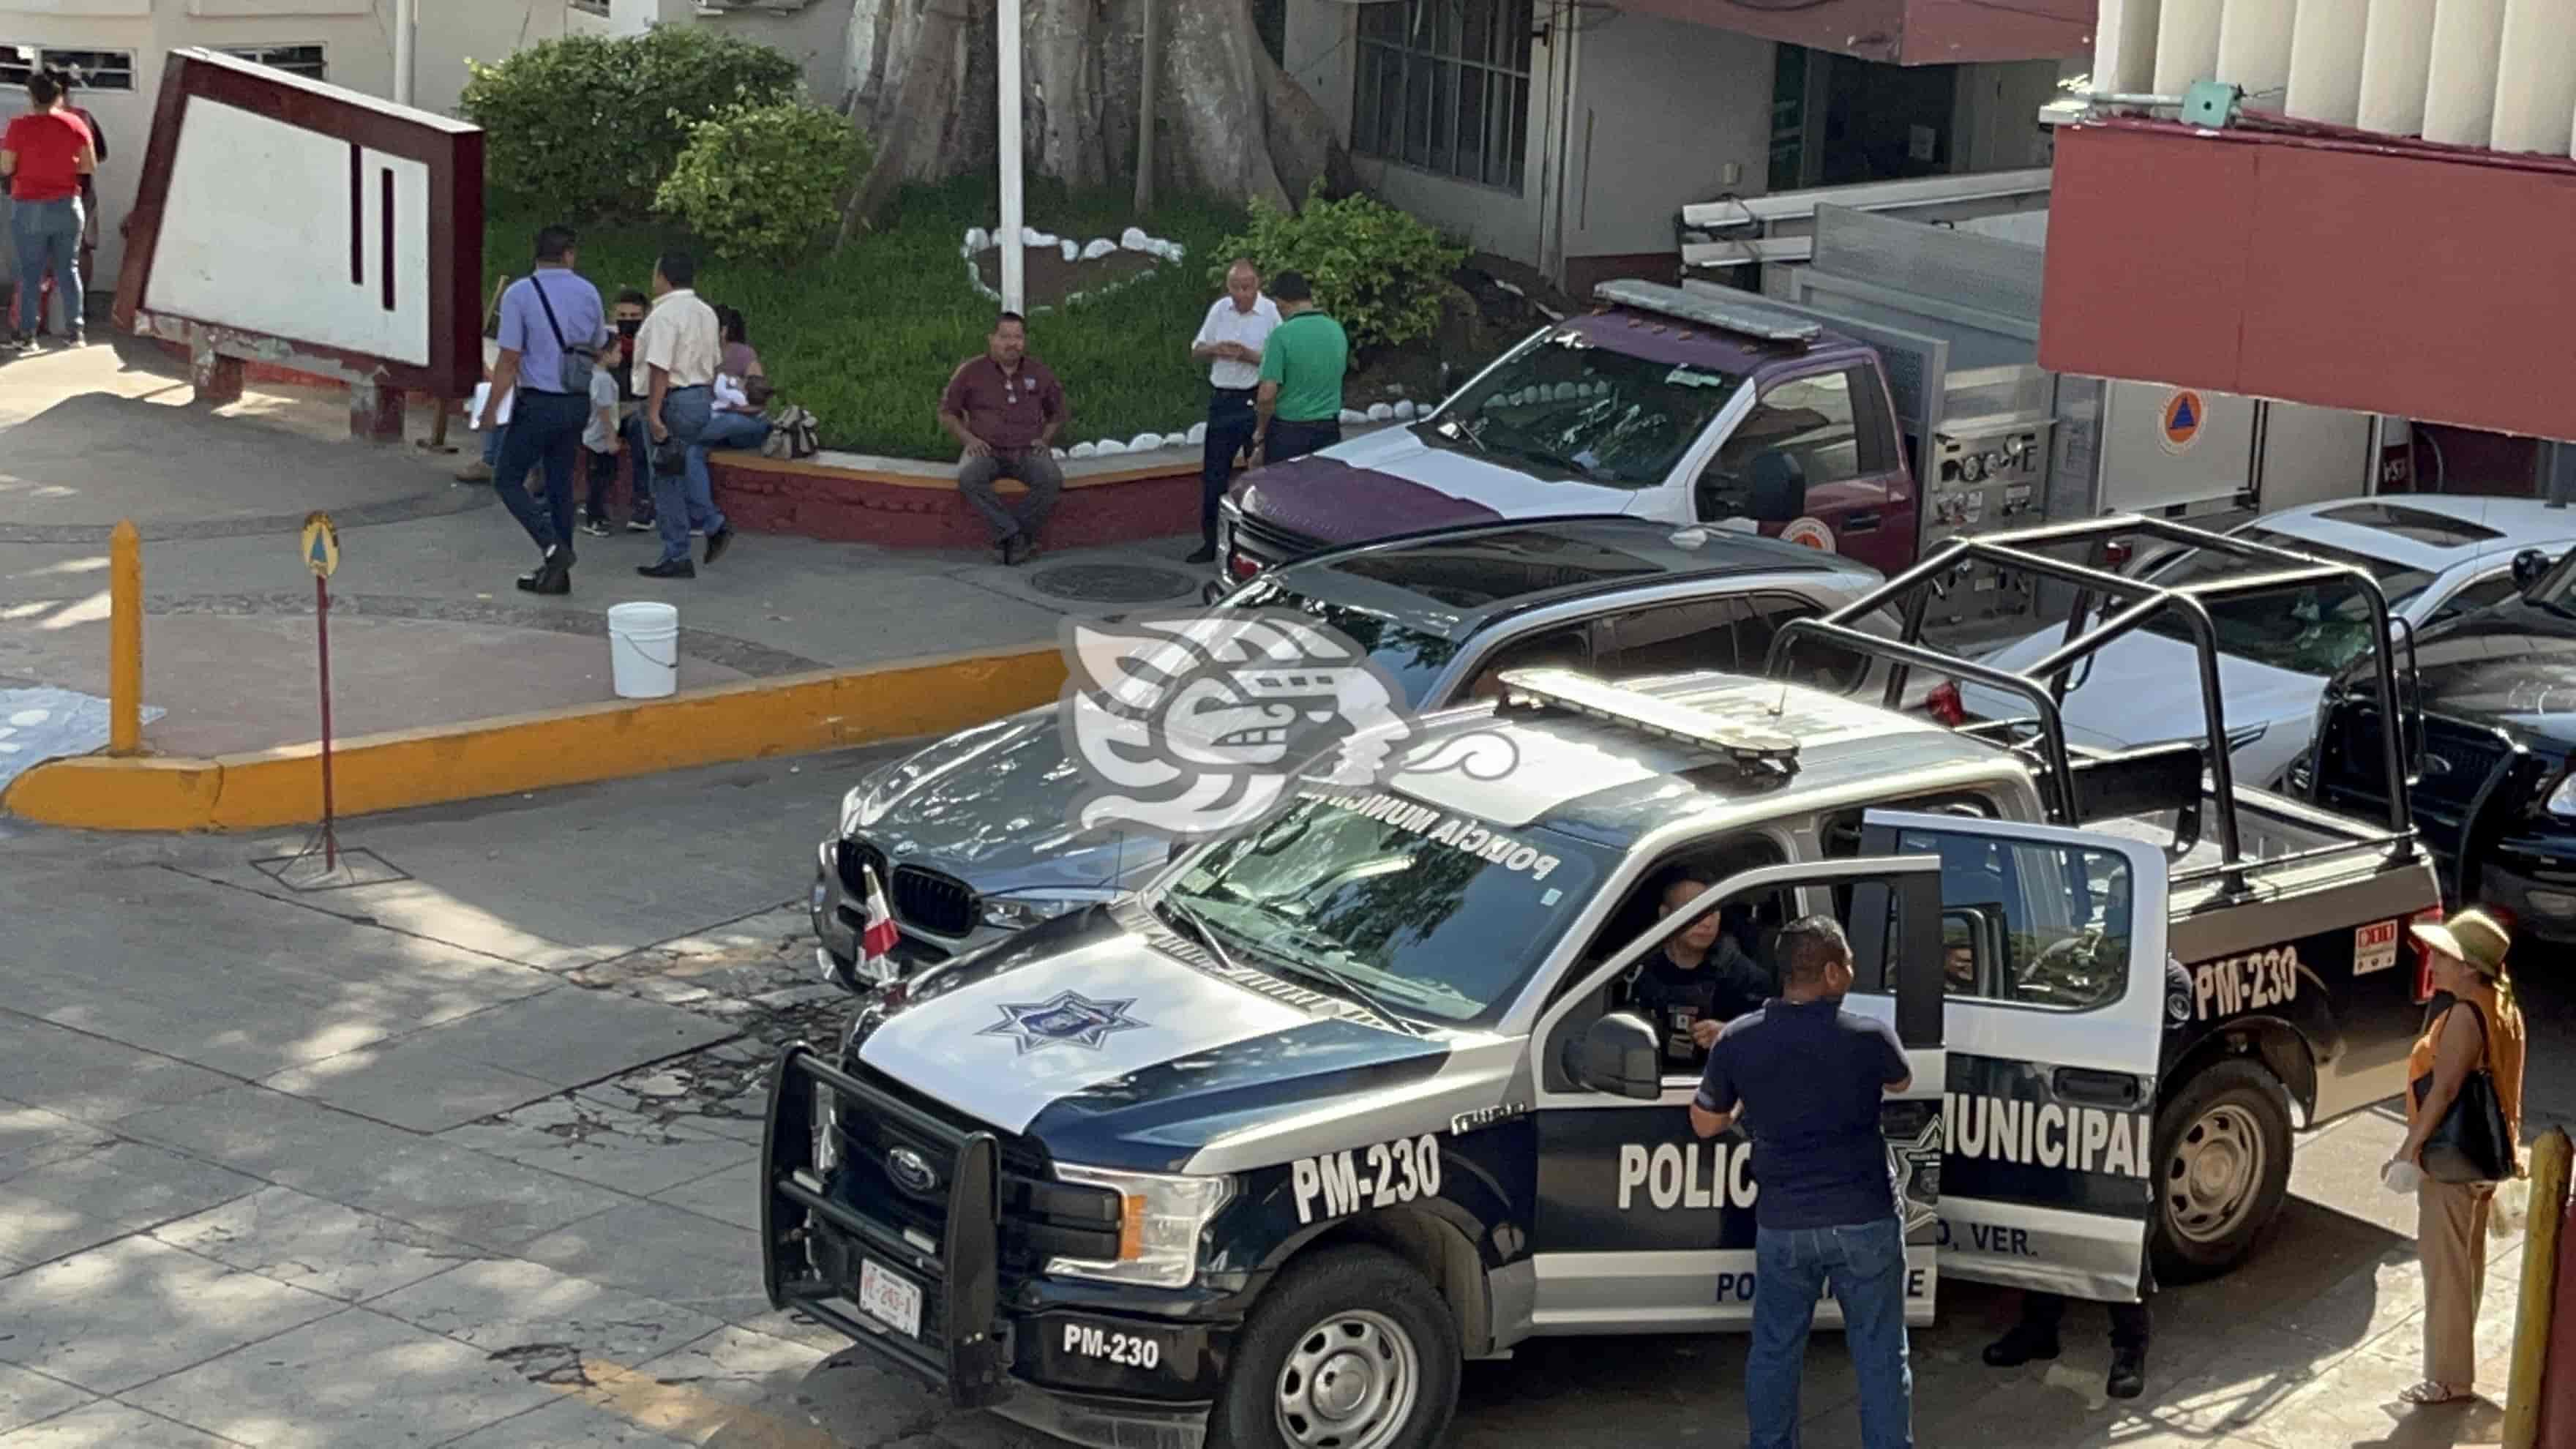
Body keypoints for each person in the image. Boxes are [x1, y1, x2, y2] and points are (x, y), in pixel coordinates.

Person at [1692, 915, 1914, 1449]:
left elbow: (1704, 1123)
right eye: (1852, 964)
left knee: (1774, 1352)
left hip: (1784, 1225)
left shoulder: (1739, 1040)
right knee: (1881, 1355)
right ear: (1833, 973)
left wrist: (1746, 1092)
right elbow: (1902, 1080)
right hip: (1864, 1219)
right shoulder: (1868, 1035)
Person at [1981, 875, 2159, 1400]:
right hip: (2048, 1118)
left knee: (2119, 1243)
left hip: (2113, 1122)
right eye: (2115, 908)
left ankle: (2130, 1349)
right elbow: (2022, 1009)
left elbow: (2150, 1054)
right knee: (2043, 1224)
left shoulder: (2161, 976)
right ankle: (2039, 1330)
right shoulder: (2066, 954)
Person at [2392, 907, 2526, 1408]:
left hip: (2452, 1160)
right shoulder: (2501, 1005)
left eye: (2445, 956)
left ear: (2470, 967)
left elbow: (2444, 1090)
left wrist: (2410, 1149)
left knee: (2446, 1269)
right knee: (2465, 1265)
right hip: (2483, 1157)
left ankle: (2449, 1379)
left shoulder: (2468, 1015)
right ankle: (2456, 1367)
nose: (2435, 962)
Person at [476, 224, 607, 594]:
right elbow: (598, 344)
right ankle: (557, 574)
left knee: (506, 478)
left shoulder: (520, 294)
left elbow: (509, 359)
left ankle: (553, 548)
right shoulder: (589, 292)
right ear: (569, 254)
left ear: (537, 255)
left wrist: (491, 409)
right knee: (560, 483)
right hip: (576, 401)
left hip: (539, 402)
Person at [632, 250, 735, 580]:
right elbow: (715, 358)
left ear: (663, 276)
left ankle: (677, 551)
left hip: (672, 397)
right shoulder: (706, 313)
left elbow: (660, 365)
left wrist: (653, 412)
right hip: (699, 396)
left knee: (665, 476)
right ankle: (711, 523)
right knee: (683, 463)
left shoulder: (664, 315)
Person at [940, 311, 1067, 566]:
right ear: (991, 339)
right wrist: (969, 440)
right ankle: (1016, 537)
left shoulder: (1039, 372)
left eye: (1018, 337)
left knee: (1051, 478)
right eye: (1005, 337)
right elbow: (947, 414)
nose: (1012, 343)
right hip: (986, 449)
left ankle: (1009, 536)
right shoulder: (972, 372)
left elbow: (1059, 413)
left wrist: (1045, 439)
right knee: (969, 477)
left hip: (1027, 450)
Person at [1622, 867, 1771, 1071]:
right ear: (1665, 914)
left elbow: (1778, 1037)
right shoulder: (1632, 970)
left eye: (1713, 910)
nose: (1706, 922)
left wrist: (1730, 1033)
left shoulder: (1744, 976)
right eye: (1695, 909)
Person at [1187, 258, 1278, 562]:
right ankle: (1210, 542)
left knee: (1259, 474)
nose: (1242, 294)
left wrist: (1249, 357)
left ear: (1258, 285)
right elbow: (1196, 349)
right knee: (1214, 475)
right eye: (1236, 288)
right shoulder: (1220, 310)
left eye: (1248, 287)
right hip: (1223, 399)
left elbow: (1278, 362)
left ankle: (1258, 545)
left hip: (1254, 400)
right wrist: (1217, 349)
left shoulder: (1270, 313)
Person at [1, 68, 95, 349]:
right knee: (69, 270)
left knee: (31, 273)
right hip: (67, 205)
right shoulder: (76, 124)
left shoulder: (19, 126)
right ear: (59, 95)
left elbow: (6, 166)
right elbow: (89, 166)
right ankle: (75, 333)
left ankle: (27, 336)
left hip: (29, 206)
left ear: (31, 96)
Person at [30, 64, 102, 342]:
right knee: (81, 253)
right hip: (80, 193)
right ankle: (78, 312)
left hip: (41, 195)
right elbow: (97, 158)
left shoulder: (31, 120)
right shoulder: (83, 119)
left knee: (45, 254)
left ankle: (46, 313)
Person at [1252, 270, 1348, 465]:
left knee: (1284, 493)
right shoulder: (1336, 329)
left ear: (1279, 302)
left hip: (1289, 433)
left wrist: (1261, 433)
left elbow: (1267, 395)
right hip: (1329, 429)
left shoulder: (1281, 336)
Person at [690, 302, 773, 475]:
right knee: (693, 453)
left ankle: (690, 437)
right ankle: (701, 502)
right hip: (713, 426)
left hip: (745, 425)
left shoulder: (743, 354)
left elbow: (759, 402)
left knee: (730, 422)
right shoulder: (696, 355)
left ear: (723, 331)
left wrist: (733, 407)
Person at [609, 288, 654, 531]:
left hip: (638, 409)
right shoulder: (608, 344)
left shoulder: (653, 343)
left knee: (640, 428)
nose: (628, 320)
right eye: (622, 315)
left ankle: (644, 502)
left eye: (634, 315)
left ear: (645, 316)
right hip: (610, 407)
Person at [579, 333, 628, 539]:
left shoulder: (593, 376)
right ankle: (595, 517)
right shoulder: (604, 380)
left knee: (597, 476)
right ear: (604, 354)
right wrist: (610, 437)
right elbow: (604, 409)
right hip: (600, 438)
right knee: (602, 477)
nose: (621, 356)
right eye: (617, 351)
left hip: (592, 435)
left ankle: (593, 509)